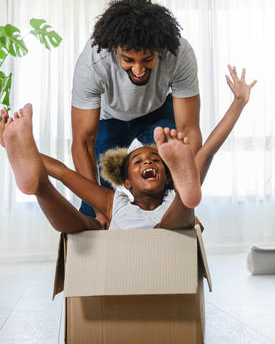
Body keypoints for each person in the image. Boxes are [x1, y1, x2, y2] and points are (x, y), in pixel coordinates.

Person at [0, 66, 256, 233]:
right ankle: (39, 187)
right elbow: (64, 172)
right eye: (138, 162)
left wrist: (239, 103)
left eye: (156, 160)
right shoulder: (114, 201)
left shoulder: (169, 197)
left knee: (176, 218)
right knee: (84, 227)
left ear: (166, 175)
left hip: (169, 227)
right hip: (118, 242)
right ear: (127, 183)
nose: (148, 163)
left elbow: (208, 148)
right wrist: (16, 148)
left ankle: (188, 198)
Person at [71, 0, 202, 227]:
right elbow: (82, 142)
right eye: (128, 60)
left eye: (148, 59)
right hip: (109, 119)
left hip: (157, 111)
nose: (139, 69)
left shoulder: (179, 54)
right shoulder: (93, 63)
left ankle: (176, 216)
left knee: (166, 173)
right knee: (97, 203)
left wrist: (185, 208)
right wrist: (98, 210)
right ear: (114, 48)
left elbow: (189, 131)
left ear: (160, 50)